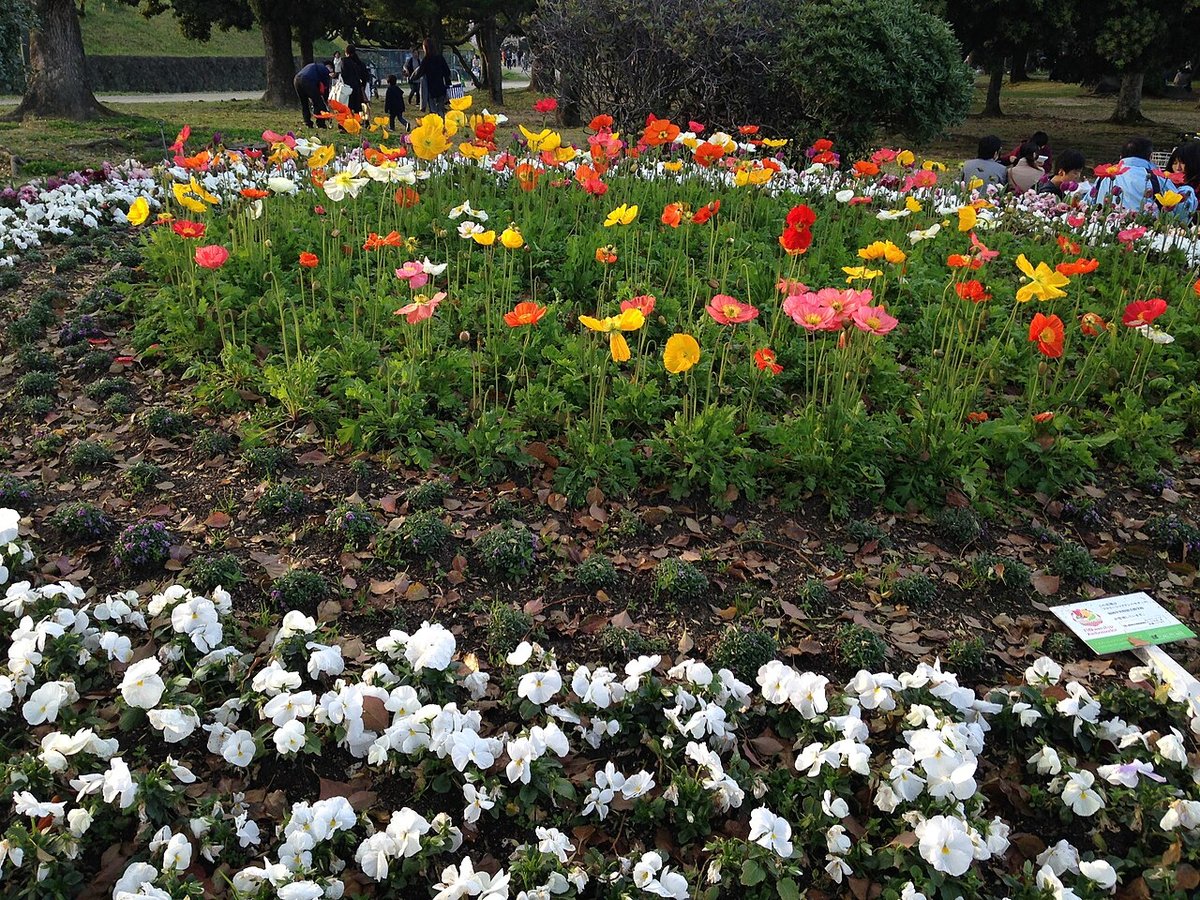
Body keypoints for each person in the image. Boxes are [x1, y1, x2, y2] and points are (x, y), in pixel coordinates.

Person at [1089, 136, 1197, 221]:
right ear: (1150, 156)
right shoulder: (1156, 178)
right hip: (1144, 236)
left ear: (1121, 156)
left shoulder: (1103, 178)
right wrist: (1188, 191)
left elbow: (1088, 203)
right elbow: (1181, 209)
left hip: (1104, 233)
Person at [411, 38, 452, 116]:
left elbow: (419, 72)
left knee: (433, 111)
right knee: (440, 110)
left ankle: (436, 124)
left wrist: (412, 78)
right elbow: (447, 72)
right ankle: (442, 124)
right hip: (440, 87)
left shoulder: (426, 60)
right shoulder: (440, 58)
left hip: (431, 89)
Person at [294, 61, 332, 129]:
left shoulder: (313, 66)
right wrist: (325, 100)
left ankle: (307, 122)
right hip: (308, 80)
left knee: (304, 103)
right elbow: (326, 87)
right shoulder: (325, 70)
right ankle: (320, 124)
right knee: (318, 103)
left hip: (297, 79)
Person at [340, 45, 370, 114]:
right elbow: (365, 76)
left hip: (348, 88)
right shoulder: (360, 63)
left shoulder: (345, 61)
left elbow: (344, 74)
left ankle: (350, 122)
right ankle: (359, 121)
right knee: (358, 107)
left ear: (346, 52)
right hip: (357, 87)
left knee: (348, 107)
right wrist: (362, 86)